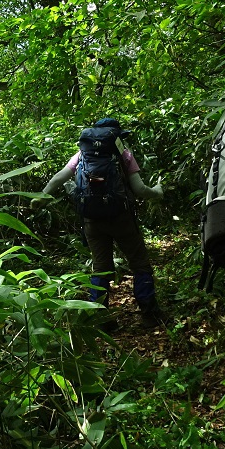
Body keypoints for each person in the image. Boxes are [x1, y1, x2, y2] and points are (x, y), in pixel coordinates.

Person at [33, 118, 165, 327]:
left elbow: (59, 177)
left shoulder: (82, 155)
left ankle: (101, 318)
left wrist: (42, 197)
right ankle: (149, 314)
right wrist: (157, 192)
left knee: (100, 268)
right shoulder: (124, 154)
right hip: (121, 219)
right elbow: (140, 190)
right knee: (140, 264)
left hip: (92, 220)